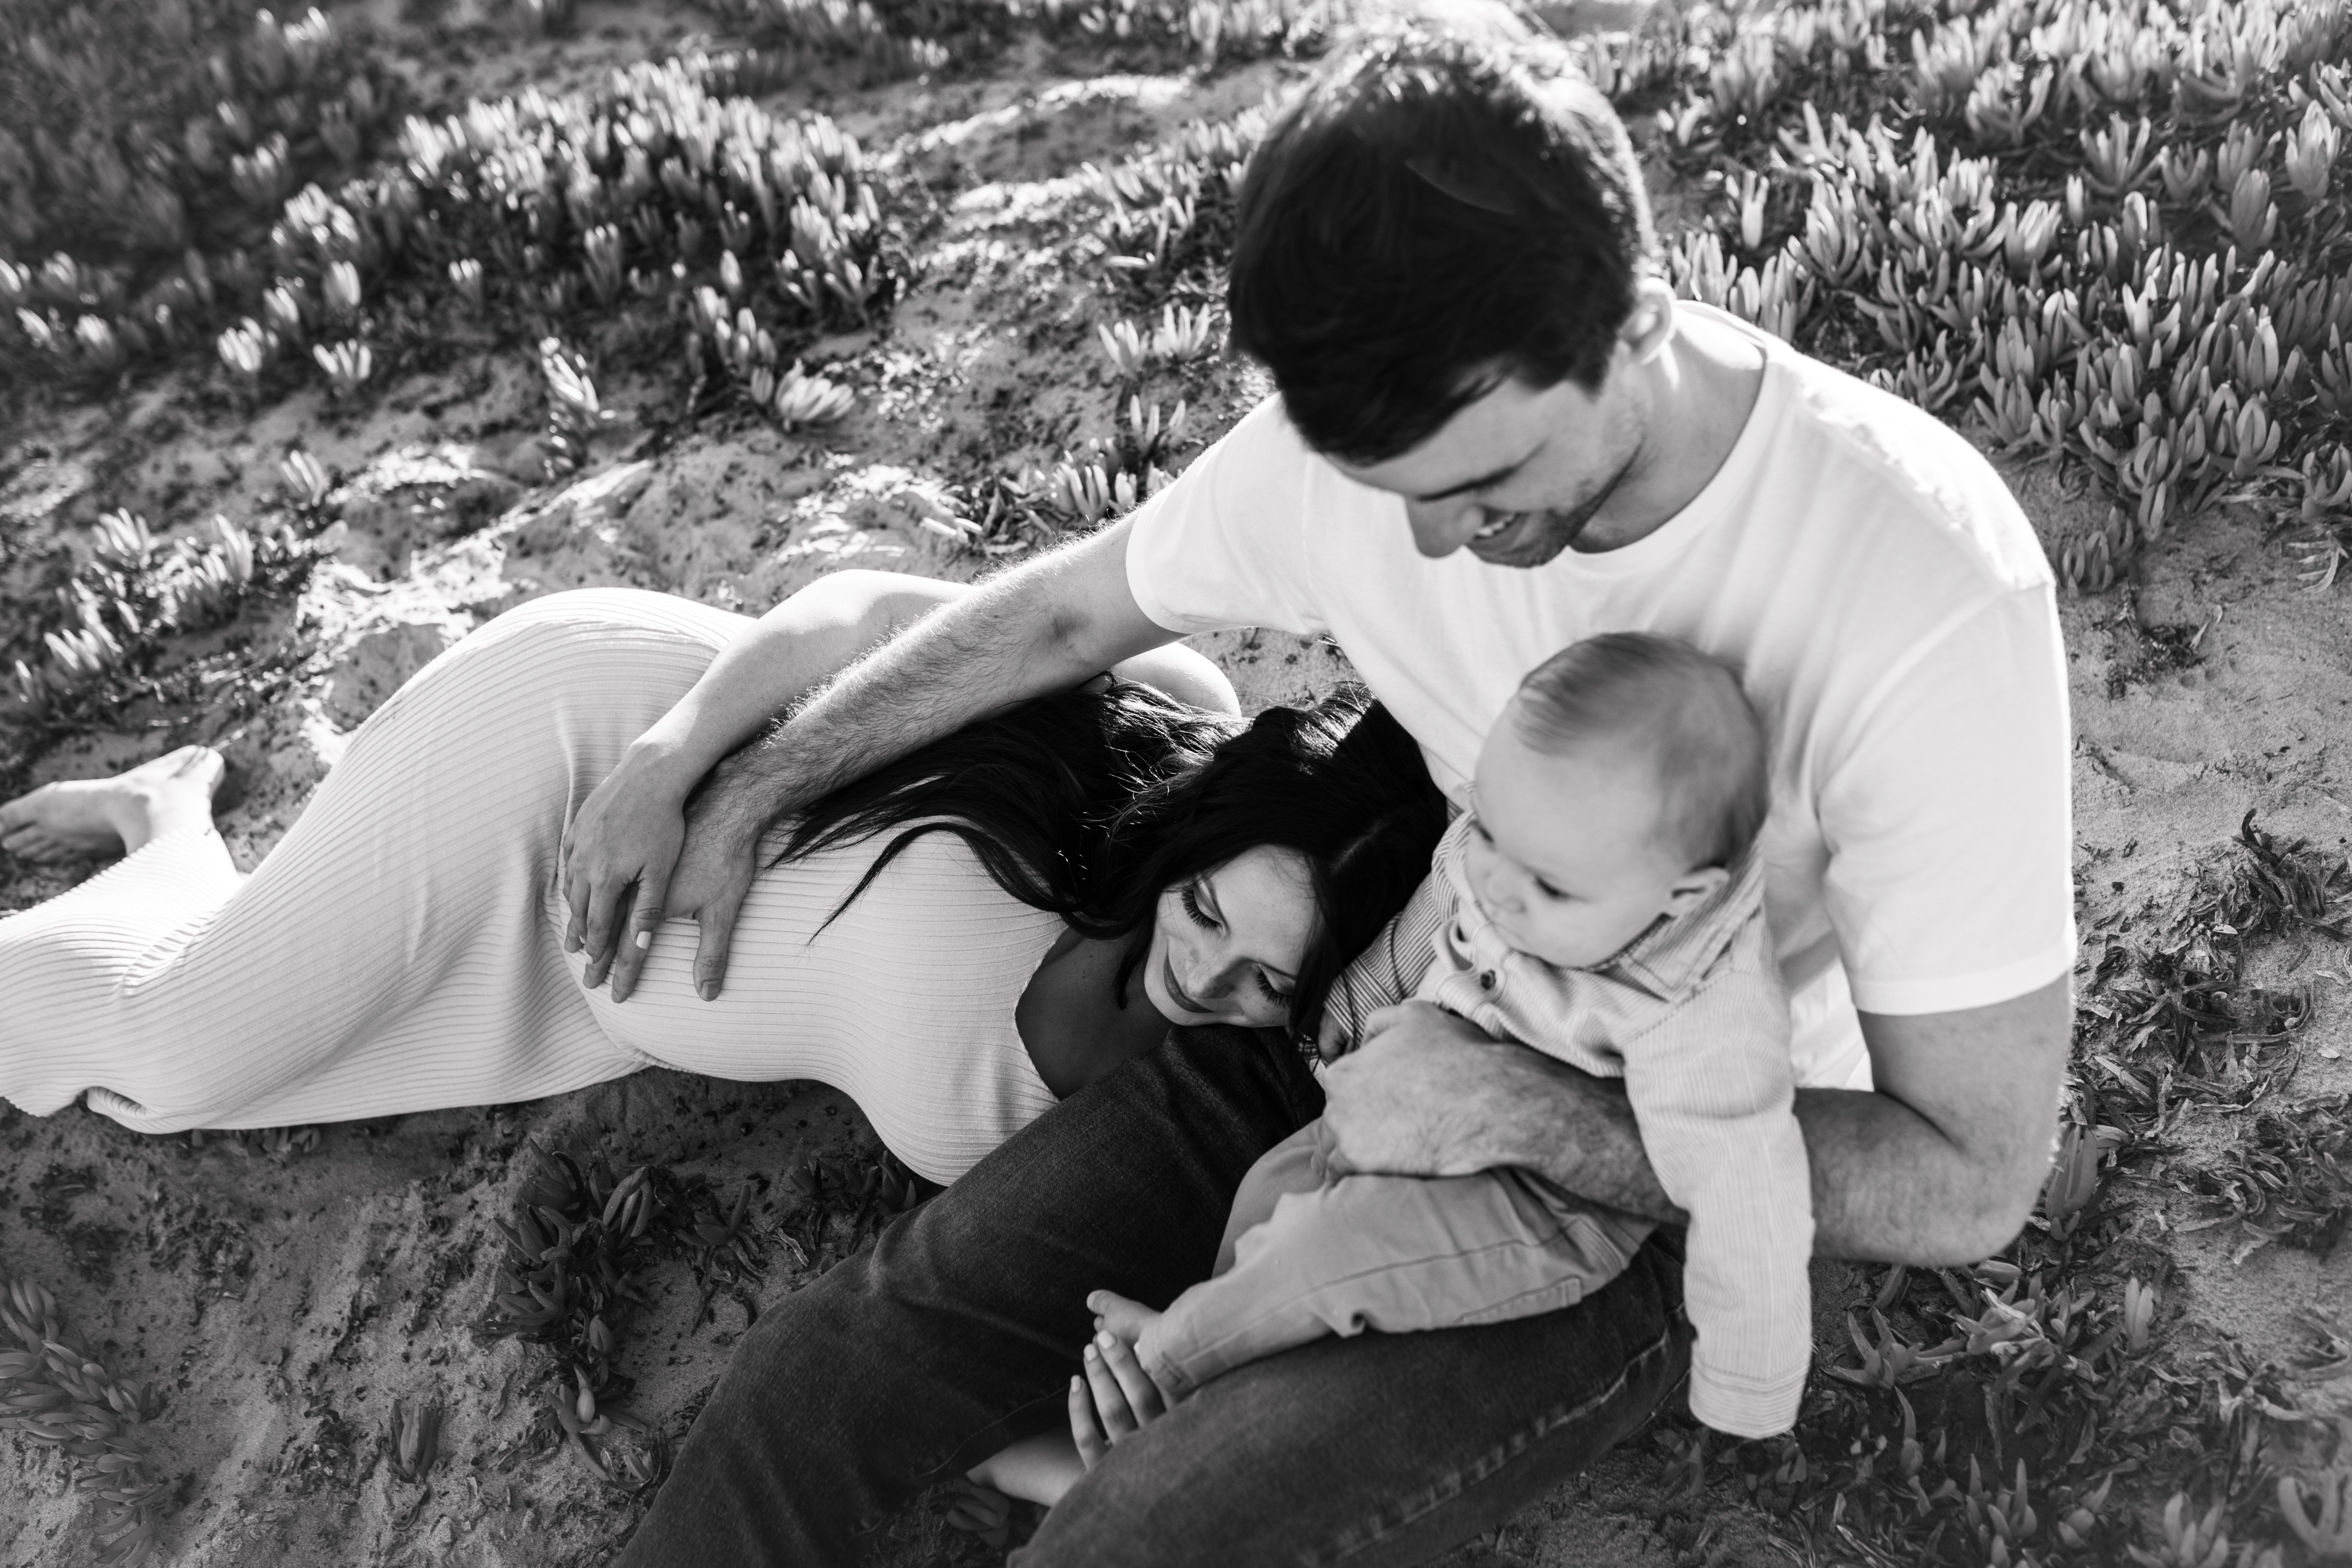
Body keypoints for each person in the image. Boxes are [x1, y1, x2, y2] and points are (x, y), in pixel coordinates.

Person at [587, 20, 2074, 1567]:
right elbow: (1065, 613)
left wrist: (1547, 1117)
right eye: (1396, 498)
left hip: (1638, 1199)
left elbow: (1975, 1171)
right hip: (1346, 1037)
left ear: (1635, 319)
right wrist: (757, 773)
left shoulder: (1920, 585)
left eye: (1483, 492)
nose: (1432, 551)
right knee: (822, 1376)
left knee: (1127, 1541)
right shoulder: (1366, 445)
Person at [0, 577, 1447, 1186]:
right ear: (1197, 831)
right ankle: (163, 847)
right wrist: (668, 759)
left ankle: (168, 830)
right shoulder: (1163, 703)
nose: (1211, 977)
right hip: (580, 766)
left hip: (596, 987)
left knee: (199, 1083)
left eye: (1268, 978)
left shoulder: (1234, 1105)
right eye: (1204, 907)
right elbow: (863, 612)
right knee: (171, 1045)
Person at [1078, 632, 1810, 1453]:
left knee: (1327, 1251)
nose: (1497, 884)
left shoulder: (1706, 991)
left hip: (1526, 1201)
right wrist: (1341, 1032)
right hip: (1398, 1099)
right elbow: (1413, 944)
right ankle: (1228, 1337)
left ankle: (1179, 1360)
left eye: (1552, 882)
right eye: (1491, 830)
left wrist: (1752, 1386)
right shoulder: (1483, 853)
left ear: (1685, 893)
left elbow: (1746, 1180)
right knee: (1271, 1188)